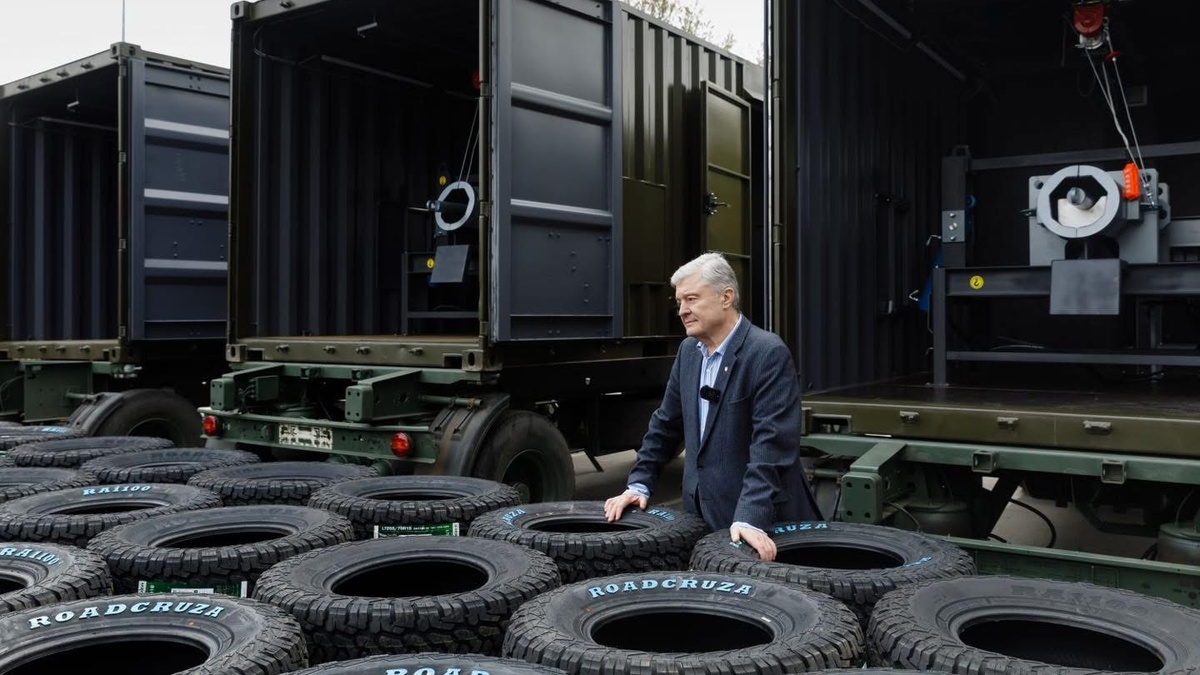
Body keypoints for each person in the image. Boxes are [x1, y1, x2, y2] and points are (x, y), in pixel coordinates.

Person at [603, 251, 821, 561]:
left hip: (762, 525)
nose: (682, 311)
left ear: (726, 297)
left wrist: (749, 517)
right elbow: (665, 425)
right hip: (701, 518)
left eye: (691, 299)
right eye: (679, 302)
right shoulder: (689, 352)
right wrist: (639, 484)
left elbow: (772, 444)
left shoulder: (766, 353)